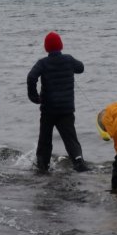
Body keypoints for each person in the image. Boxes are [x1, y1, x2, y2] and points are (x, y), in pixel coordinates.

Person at [26, 31, 88, 173]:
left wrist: (34, 97)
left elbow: (31, 77)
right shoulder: (69, 59)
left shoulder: (43, 63)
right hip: (66, 109)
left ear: (46, 48)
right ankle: (79, 162)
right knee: (71, 138)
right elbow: (81, 68)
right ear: (61, 46)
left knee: (45, 140)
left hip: (48, 109)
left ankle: (42, 166)